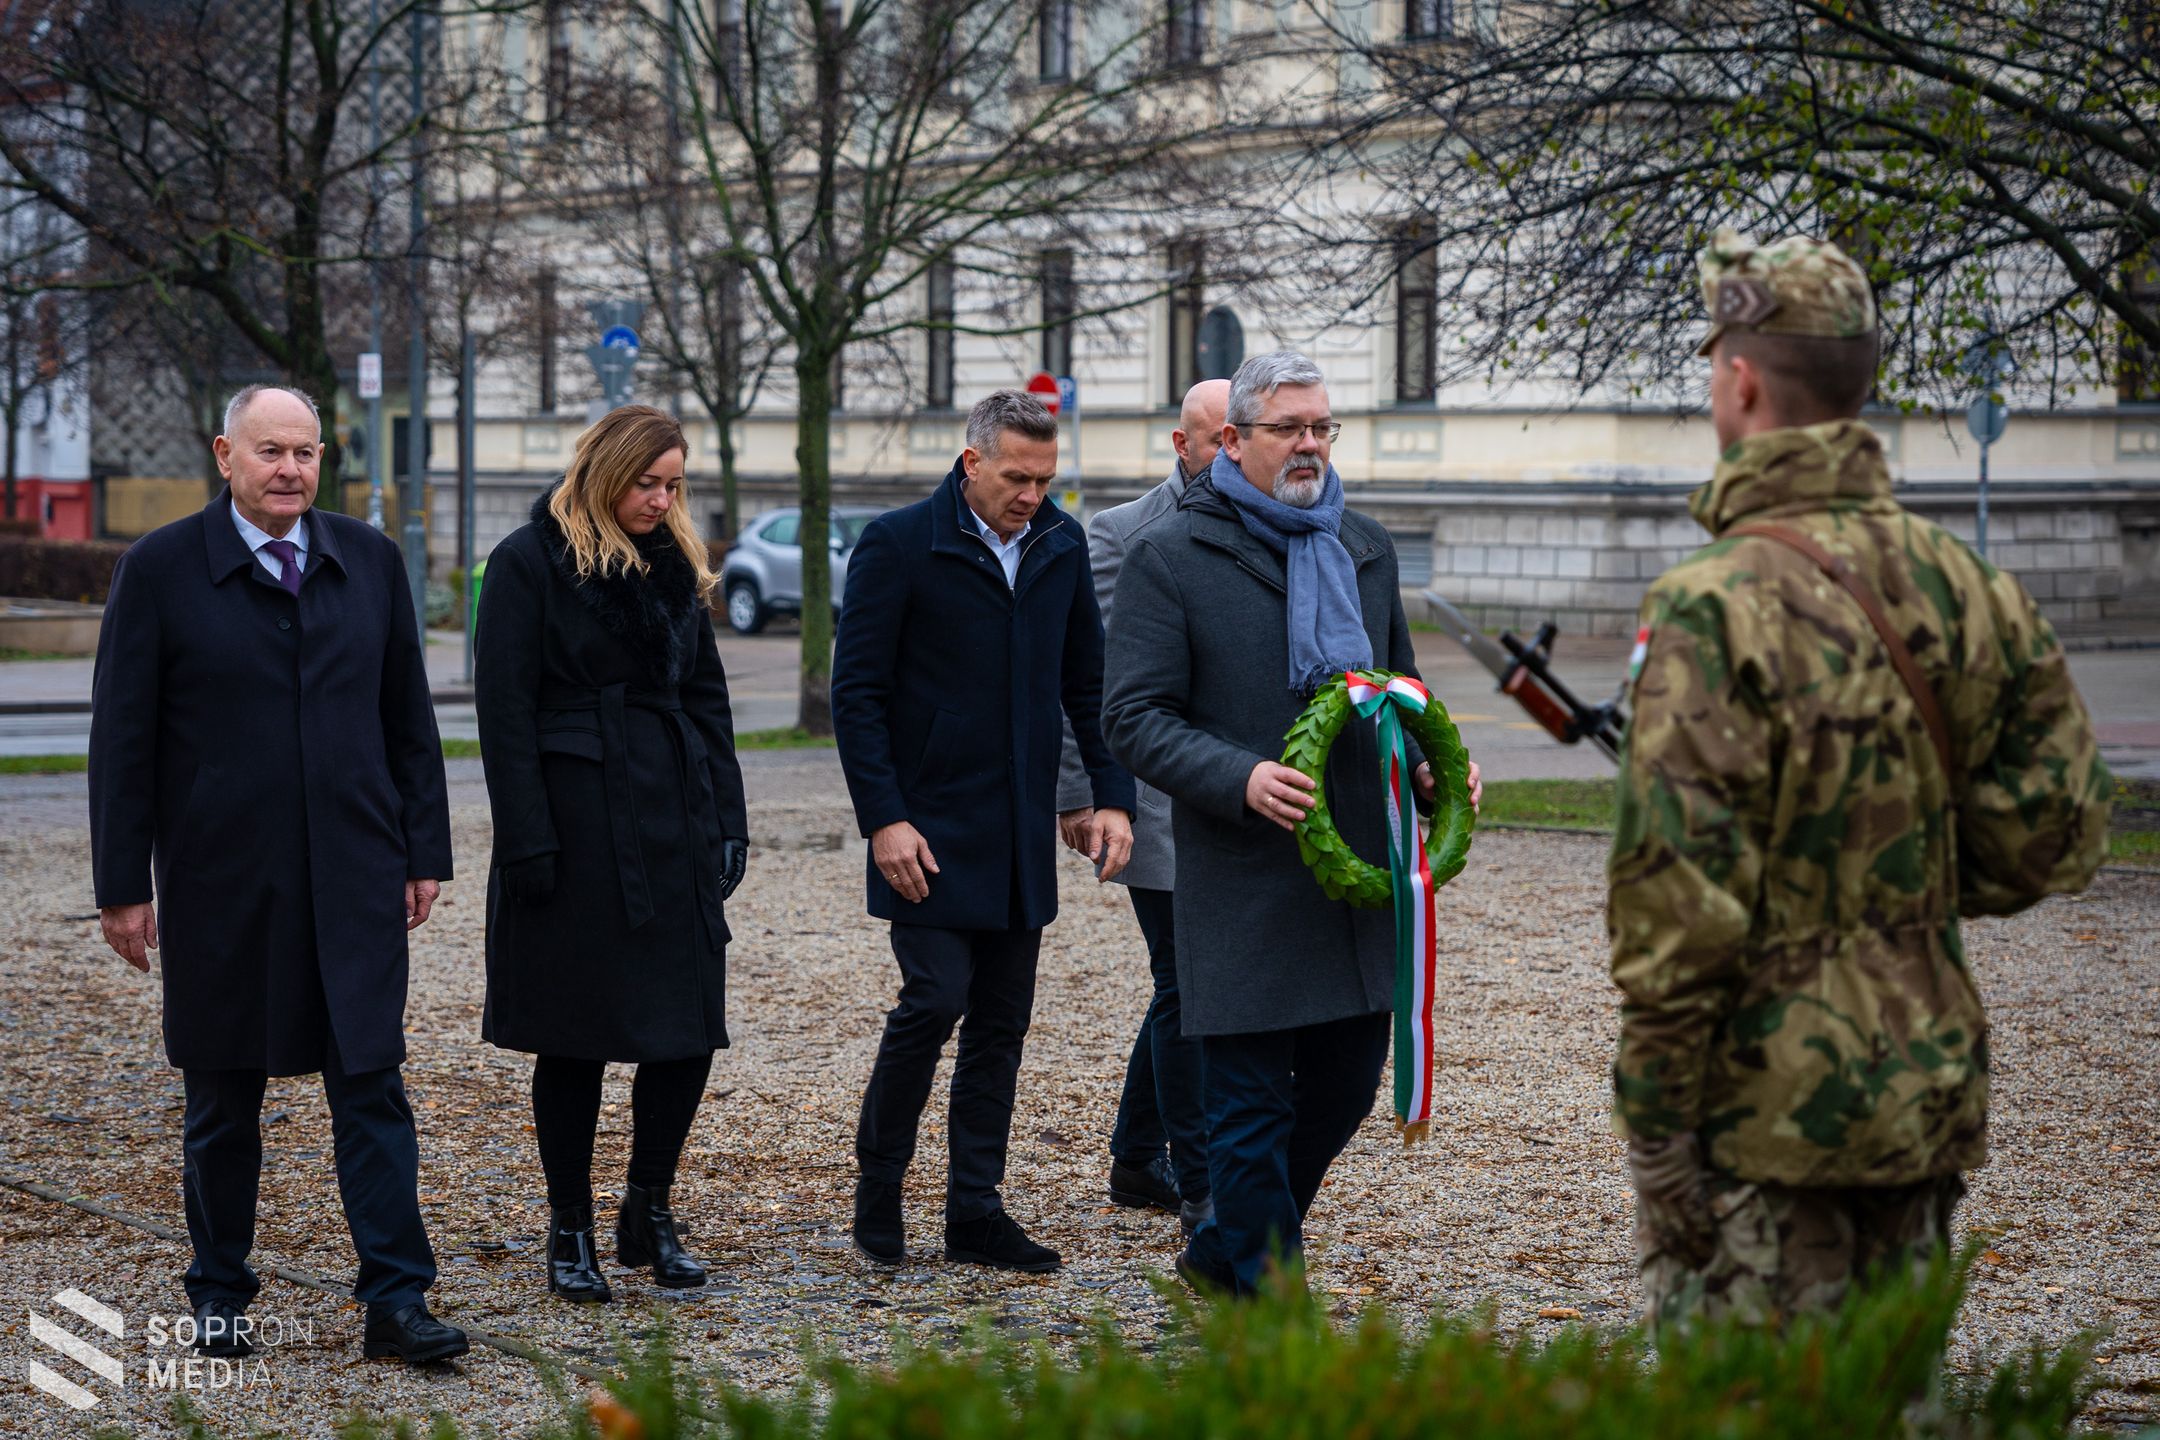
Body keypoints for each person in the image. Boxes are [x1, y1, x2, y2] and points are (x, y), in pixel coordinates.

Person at [1611, 231, 2112, 1334]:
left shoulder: (1715, 601)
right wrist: (1903, 884)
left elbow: (1675, 913)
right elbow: (2062, 832)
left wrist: (1654, 1136)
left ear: (1739, 380)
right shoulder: (1969, 582)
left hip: (1761, 1113)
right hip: (1924, 1087)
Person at [88, 385, 466, 1364]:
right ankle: (218, 1293)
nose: (290, 469)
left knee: (372, 1086)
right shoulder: (161, 571)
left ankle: (397, 1299)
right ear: (226, 455)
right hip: (222, 881)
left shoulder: (371, 563)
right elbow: (121, 741)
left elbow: (407, 721)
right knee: (222, 1097)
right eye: (269, 451)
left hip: (355, 872)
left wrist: (426, 849)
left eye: (305, 452)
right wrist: (122, 884)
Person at [1102, 350, 1481, 1295]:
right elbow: (1134, 717)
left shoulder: (1363, 542)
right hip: (1242, 875)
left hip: (1355, 867)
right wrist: (1240, 777)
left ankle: (1221, 1250)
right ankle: (1272, 1319)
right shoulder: (1171, 554)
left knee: (1349, 1088)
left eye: (1322, 426)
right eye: (1289, 429)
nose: (1310, 444)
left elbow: (1400, 688)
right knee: (1249, 1108)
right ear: (1232, 440)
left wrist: (1434, 767)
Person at [833, 389, 1136, 1273]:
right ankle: (879, 1185)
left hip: (1015, 836)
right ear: (972, 463)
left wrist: (1108, 795)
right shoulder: (897, 544)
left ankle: (974, 1210)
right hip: (924, 829)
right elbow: (857, 697)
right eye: (1016, 477)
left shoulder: (1061, 542)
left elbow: (1089, 686)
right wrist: (884, 819)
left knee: (1001, 1025)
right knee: (933, 1002)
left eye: (1045, 479)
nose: (1032, 495)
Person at [475, 405, 749, 1304]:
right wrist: (526, 842)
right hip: (574, 824)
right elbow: (504, 714)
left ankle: (649, 1208)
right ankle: (570, 1228)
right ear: (605, 471)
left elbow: (705, 698)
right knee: (577, 1038)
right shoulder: (527, 562)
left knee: (688, 1027)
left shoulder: (675, 564)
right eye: (648, 482)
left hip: (674, 811)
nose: (662, 498)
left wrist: (729, 817)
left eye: (674, 483)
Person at [1055, 377, 1230, 1235]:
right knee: (1186, 983)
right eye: (1214, 439)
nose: (1227, 453)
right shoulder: (1122, 534)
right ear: (1182, 443)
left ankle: (1134, 1153)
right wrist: (1082, 793)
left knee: (1185, 983)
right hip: (1152, 799)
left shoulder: (1268, 527)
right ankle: (1199, 1181)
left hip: (1236, 794)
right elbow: (1089, 679)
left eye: (1241, 437)